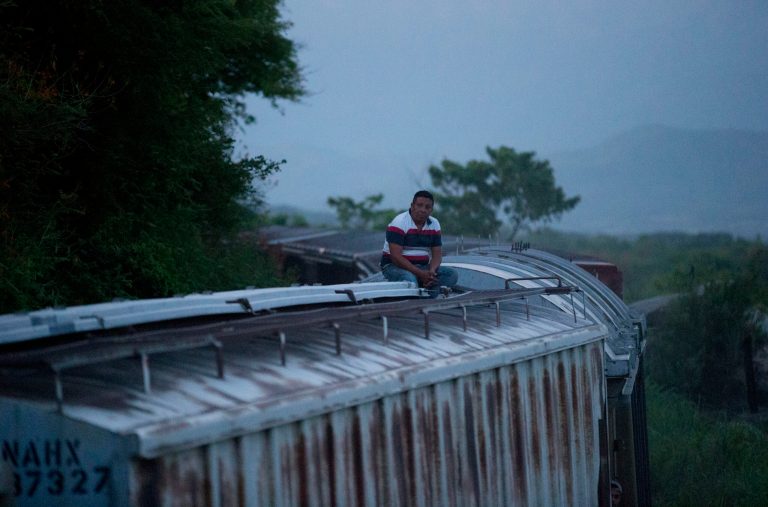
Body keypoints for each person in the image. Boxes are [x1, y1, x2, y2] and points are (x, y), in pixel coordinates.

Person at [380, 190, 458, 297]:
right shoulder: (399, 222)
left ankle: (428, 301)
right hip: (394, 266)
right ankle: (416, 305)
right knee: (410, 281)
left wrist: (431, 272)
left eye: (427, 207)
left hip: (422, 267)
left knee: (451, 275)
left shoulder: (434, 224)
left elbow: (437, 255)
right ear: (412, 206)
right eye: (419, 205)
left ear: (431, 210)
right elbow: (396, 257)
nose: (423, 210)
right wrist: (420, 274)